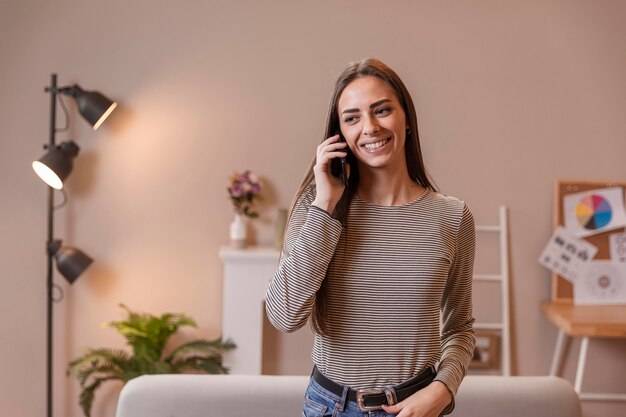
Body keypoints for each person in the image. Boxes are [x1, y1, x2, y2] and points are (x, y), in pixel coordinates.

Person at [265, 58, 476, 417]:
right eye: (353, 117)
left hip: (417, 406)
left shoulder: (452, 217)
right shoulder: (317, 208)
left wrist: (442, 390)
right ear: (340, 135)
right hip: (329, 407)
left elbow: (460, 327)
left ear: (405, 118)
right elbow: (284, 316)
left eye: (382, 110)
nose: (370, 127)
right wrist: (326, 204)